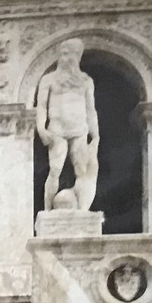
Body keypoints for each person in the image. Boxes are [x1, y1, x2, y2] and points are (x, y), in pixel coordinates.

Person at [35, 38, 100, 212]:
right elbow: (41, 106)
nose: (64, 59)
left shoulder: (85, 81)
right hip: (57, 129)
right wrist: (41, 127)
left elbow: (90, 109)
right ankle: (47, 210)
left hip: (79, 129)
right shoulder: (49, 79)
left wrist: (95, 134)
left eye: (68, 54)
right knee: (55, 170)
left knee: (82, 171)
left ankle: (83, 210)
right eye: (62, 54)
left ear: (77, 56)